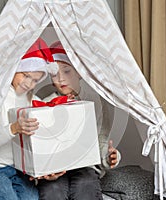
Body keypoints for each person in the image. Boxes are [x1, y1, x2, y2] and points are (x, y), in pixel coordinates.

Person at [0, 38, 56, 200]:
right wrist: (14, 128)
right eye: (26, 75)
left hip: (19, 169)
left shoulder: (30, 98)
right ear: (13, 69)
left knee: (31, 198)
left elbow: (46, 111)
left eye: (35, 80)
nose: (29, 84)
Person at [36, 41, 121, 200]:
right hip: (55, 167)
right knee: (53, 190)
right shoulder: (45, 104)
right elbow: (41, 145)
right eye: (55, 74)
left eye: (67, 71)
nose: (61, 79)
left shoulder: (96, 103)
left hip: (85, 166)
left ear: (79, 72)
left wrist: (109, 157)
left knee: (85, 185)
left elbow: (101, 142)